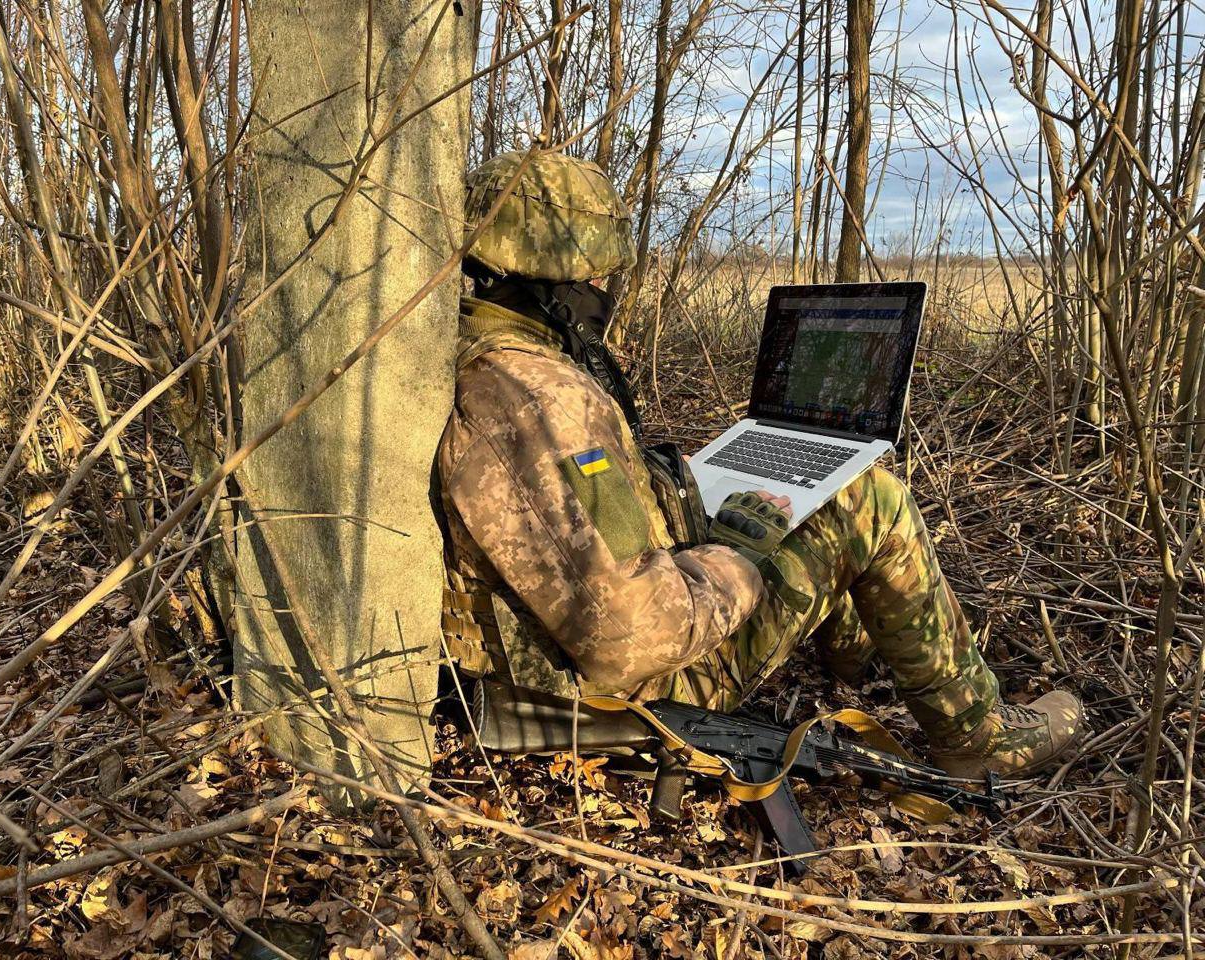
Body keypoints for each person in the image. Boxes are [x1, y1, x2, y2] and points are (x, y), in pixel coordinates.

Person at [437, 150, 1083, 779]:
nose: (606, 289)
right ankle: (981, 740)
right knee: (871, 498)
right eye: (600, 275)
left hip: (540, 678)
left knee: (796, 502)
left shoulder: (480, 356)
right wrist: (732, 561)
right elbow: (630, 639)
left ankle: (858, 655)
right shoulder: (546, 401)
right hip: (630, 704)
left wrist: (672, 487)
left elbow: (566, 518)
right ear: (565, 278)